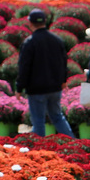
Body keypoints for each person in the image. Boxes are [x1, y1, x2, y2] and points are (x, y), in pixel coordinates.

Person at [16, 10, 74, 139]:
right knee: (58, 117)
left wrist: (19, 87)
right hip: (55, 87)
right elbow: (63, 62)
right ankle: (72, 142)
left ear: (30, 23)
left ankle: (39, 151)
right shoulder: (57, 40)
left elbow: (24, 67)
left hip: (36, 89)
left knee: (38, 121)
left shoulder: (29, 42)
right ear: (44, 22)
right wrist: (63, 81)